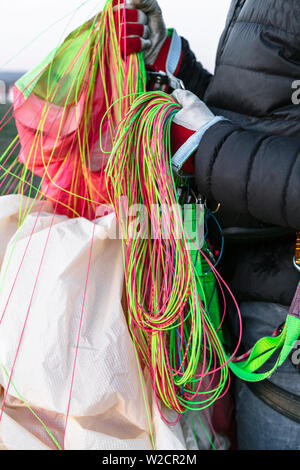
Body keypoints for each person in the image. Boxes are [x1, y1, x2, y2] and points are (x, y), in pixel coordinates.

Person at [116, 0, 300, 450]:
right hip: (250, 310)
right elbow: (259, 117)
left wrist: (212, 146)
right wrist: (167, 55)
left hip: (286, 334)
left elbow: (231, 135)